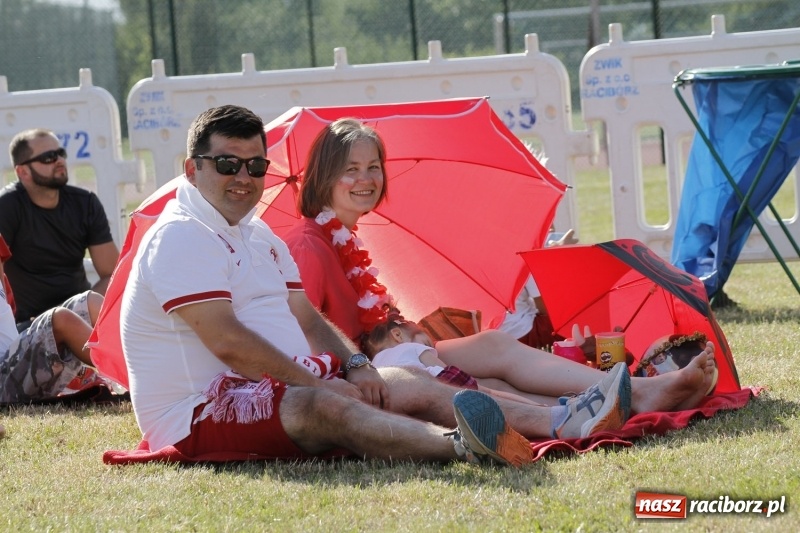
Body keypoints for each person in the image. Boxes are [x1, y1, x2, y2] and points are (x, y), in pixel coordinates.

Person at [119, 105, 633, 468]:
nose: (244, 177)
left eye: (255, 165)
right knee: (329, 403)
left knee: (400, 381)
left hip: (282, 382)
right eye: (228, 164)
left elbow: (306, 317)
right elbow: (229, 342)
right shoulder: (183, 235)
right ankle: (462, 445)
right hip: (201, 408)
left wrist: (359, 365)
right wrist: (322, 380)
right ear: (193, 168)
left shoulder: (258, 234)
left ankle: (566, 421)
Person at [284, 117, 718, 413]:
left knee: (492, 345)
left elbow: (370, 314)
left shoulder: (347, 238)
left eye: (373, 167)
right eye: (351, 169)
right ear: (323, 177)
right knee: (493, 387)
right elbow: (301, 338)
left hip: (389, 351)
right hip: (364, 371)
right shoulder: (308, 243)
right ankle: (627, 401)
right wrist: (367, 360)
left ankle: (634, 393)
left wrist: (402, 331)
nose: (366, 180)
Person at [1, 128, 119, 325]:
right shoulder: (7, 207)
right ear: (23, 172)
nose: (59, 161)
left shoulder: (85, 203)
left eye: (60, 154)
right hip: (26, 324)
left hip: (80, 315)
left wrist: (82, 311)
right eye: (48, 157)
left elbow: (112, 274)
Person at [364, 318, 548, 406]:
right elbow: (443, 371)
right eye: (427, 341)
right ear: (397, 334)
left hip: (404, 401)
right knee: (493, 393)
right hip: (441, 387)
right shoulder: (410, 348)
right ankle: (539, 409)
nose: (431, 346)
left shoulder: (374, 365)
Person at [0, 250, 103, 404]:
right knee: (61, 320)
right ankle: (136, 375)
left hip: (12, 360)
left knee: (90, 302)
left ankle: (143, 358)